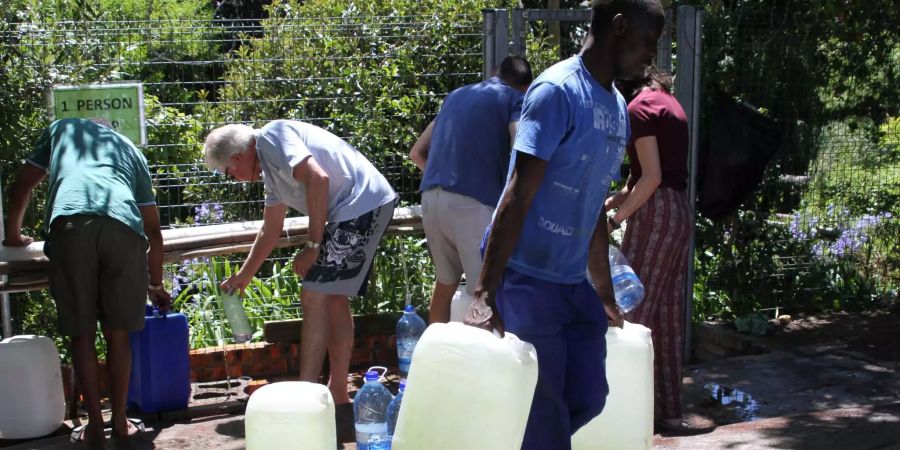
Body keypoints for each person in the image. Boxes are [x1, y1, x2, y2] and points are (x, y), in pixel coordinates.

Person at [467, 0, 665, 448]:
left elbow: (593, 202)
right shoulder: (557, 91)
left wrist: (604, 292)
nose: (652, 55)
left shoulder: (616, 106)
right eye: (648, 42)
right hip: (526, 276)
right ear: (618, 27)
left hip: (572, 280)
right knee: (545, 410)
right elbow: (519, 193)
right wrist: (484, 289)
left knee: (590, 395)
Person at [203, 119, 397, 413]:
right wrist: (244, 276)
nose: (234, 179)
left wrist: (312, 246)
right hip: (356, 208)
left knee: (313, 293)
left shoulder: (270, 137)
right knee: (331, 296)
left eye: (229, 174)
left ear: (237, 158)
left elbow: (318, 179)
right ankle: (338, 392)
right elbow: (271, 230)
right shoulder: (269, 170)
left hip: (361, 203)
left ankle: (306, 398)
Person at [3, 118, 170, 446]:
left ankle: (95, 426)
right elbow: (153, 231)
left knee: (82, 333)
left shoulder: (64, 128)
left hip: (71, 224)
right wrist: (155, 285)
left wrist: (13, 237)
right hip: (123, 227)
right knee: (118, 333)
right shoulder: (131, 151)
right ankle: (120, 421)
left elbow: (23, 184)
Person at [409, 55, 532, 324]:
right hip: (474, 206)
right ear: (525, 86)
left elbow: (417, 153)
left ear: (494, 73)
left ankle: (437, 361)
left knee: (444, 285)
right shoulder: (515, 99)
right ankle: (482, 365)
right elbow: (520, 150)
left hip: (431, 198)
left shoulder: (456, 96)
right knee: (485, 296)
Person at [605, 66, 692, 431]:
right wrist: (609, 203)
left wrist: (615, 220)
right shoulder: (667, 102)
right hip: (679, 211)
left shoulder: (638, 109)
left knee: (629, 310)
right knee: (667, 317)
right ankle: (668, 411)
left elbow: (651, 179)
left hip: (655, 214)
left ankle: (621, 413)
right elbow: (647, 177)